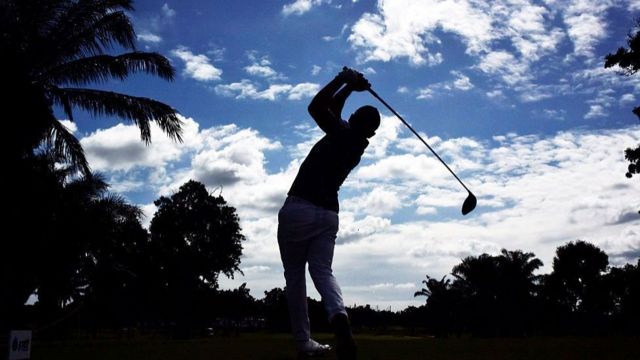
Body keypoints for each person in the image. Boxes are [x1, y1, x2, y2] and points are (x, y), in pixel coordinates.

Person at [277, 67, 380, 359]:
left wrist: (342, 80)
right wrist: (350, 88)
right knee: (322, 271)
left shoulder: (342, 133)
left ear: (355, 123)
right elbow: (333, 110)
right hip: (328, 215)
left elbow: (317, 107)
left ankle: (303, 342)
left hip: (299, 208)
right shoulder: (356, 143)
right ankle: (339, 317)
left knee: (295, 277)